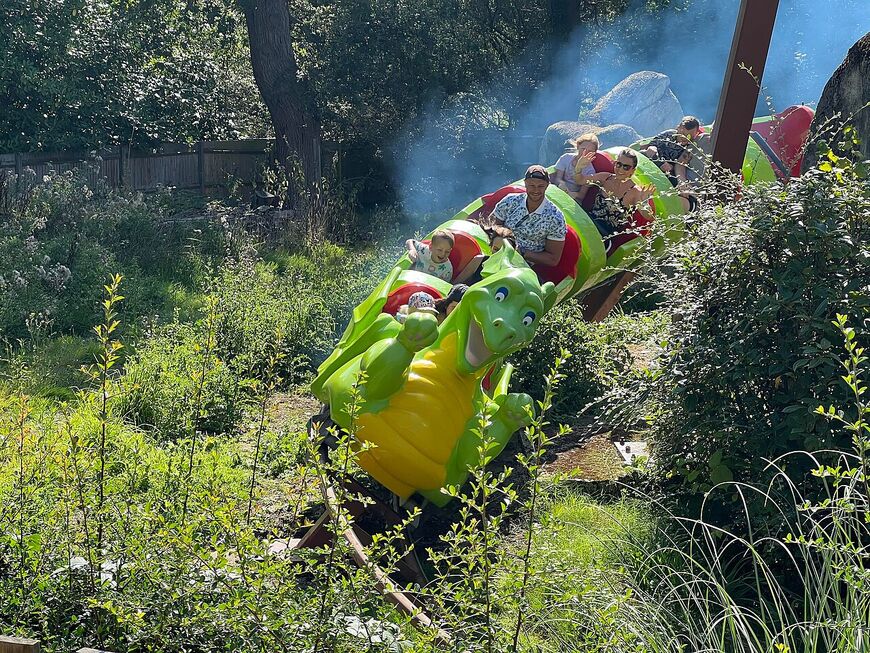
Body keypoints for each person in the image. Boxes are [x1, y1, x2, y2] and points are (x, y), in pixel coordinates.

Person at [491, 165, 567, 268]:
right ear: (525, 184)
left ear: (547, 186)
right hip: (496, 251)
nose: (536, 190)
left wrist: (520, 251)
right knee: (476, 261)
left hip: (522, 266)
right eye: (531, 185)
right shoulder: (510, 201)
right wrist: (504, 239)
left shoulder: (555, 218)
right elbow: (492, 225)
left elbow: (553, 259)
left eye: (540, 186)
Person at [583, 149, 655, 239]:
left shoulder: (634, 191)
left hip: (605, 234)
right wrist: (579, 167)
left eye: (626, 167)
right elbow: (580, 180)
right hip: (588, 222)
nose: (621, 169)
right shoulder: (605, 177)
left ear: (632, 170)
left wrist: (644, 202)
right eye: (619, 164)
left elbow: (648, 216)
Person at [641, 116, 702, 184]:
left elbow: (683, 166)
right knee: (643, 153)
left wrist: (671, 167)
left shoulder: (691, 147)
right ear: (678, 128)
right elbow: (653, 143)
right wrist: (652, 148)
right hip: (655, 159)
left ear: (696, 134)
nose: (685, 139)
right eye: (683, 135)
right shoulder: (669, 134)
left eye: (689, 137)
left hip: (669, 171)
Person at [551, 133, 598, 204]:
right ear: (578, 146)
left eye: (590, 151)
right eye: (583, 149)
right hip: (559, 191)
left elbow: (581, 195)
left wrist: (571, 194)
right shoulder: (566, 158)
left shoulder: (590, 171)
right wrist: (561, 183)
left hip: (574, 199)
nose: (585, 153)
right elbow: (557, 178)